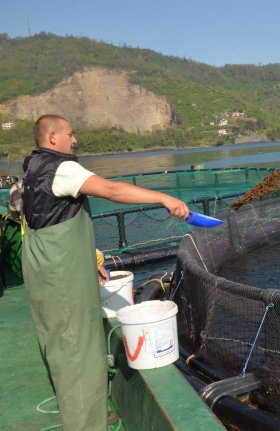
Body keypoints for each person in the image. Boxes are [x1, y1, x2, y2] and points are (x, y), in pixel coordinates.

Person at [21, 114, 189, 430]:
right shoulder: (63, 168)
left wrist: (87, 261)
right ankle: (86, 424)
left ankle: (86, 414)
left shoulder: (32, 167)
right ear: (53, 136)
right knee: (77, 350)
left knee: (58, 344)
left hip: (45, 272)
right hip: (62, 278)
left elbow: (46, 222)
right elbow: (111, 190)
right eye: (70, 134)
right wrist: (163, 197)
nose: (75, 140)